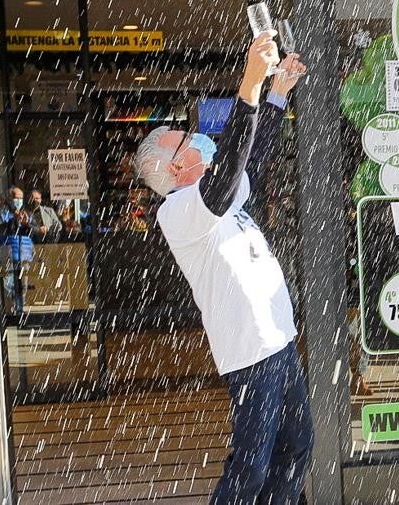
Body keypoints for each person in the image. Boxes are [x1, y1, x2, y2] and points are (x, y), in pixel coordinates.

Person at [133, 35, 310, 504]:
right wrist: (250, 85)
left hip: (279, 339)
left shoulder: (220, 194)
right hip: (251, 351)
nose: (197, 140)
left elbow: (253, 156)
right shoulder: (180, 211)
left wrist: (277, 94)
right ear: (173, 170)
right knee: (250, 467)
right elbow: (232, 161)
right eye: (186, 142)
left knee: (296, 446)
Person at [0, 185, 34, 312]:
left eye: (21, 198)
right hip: (8, 255)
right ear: (10, 199)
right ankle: (10, 311)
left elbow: (32, 230)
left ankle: (19, 311)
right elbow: (1, 227)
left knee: (22, 287)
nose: (19, 201)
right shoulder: (3, 213)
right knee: (9, 285)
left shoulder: (26, 213)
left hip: (24, 255)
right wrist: (14, 220)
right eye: (17, 198)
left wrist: (27, 224)